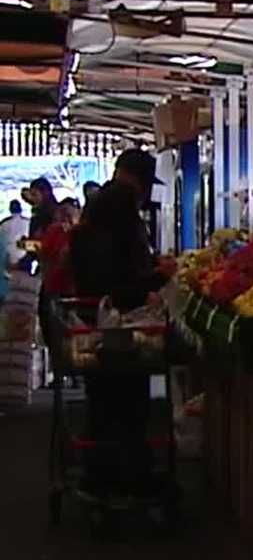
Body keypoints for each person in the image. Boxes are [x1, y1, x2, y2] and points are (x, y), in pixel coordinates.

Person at [69, 150, 171, 500]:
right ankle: (122, 479)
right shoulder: (122, 205)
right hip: (115, 319)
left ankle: (101, 474)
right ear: (139, 180)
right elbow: (119, 273)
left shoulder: (100, 203)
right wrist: (155, 278)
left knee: (105, 401)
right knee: (126, 402)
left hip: (97, 315)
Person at [0, 200, 28, 269]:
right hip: (24, 253)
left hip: (8, 253)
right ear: (21, 209)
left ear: (10, 209)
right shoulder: (28, 221)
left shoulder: (4, 223)